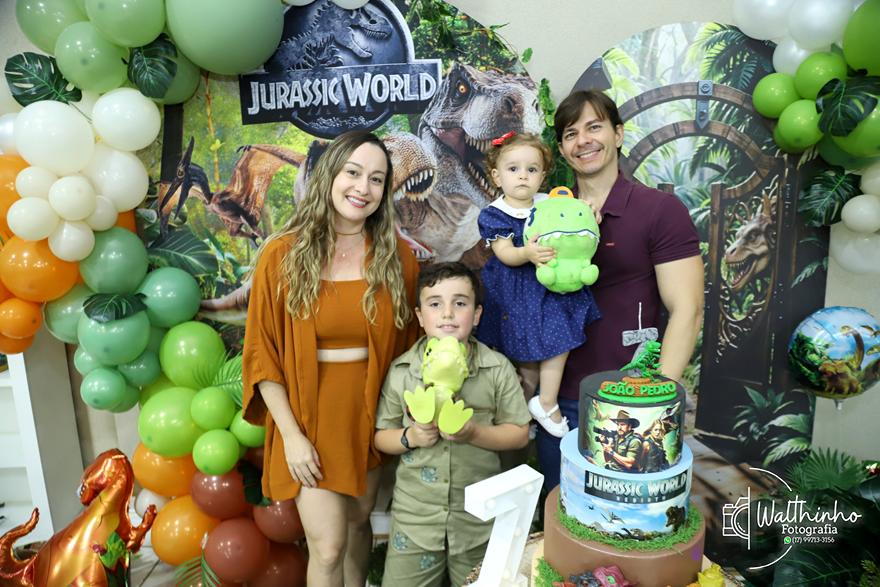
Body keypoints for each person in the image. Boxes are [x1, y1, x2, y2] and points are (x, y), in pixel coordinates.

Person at [241, 130, 420, 587]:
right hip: (308, 418)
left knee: (359, 526)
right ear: (329, 176)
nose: (363, 188)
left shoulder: (397, 257)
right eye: (353, 173)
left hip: (369, 415)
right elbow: (262, 354)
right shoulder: (282, 255)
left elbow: (411, 348)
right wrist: (292, 437)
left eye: (376, 179)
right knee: (327, 546)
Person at [536, 90, 704, 490]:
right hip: (560, 402)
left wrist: (656, 401)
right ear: (562, 148)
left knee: (628, 518)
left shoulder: (659, 210)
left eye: (594, 127)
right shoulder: (545, 215)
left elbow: (688, 309)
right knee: (560, 513)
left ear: (618, 134)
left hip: (632, 398)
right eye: (571, 134)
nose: (583, 141)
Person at [374, 262, 530, 587]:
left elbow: (518, 434)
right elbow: (381, 437)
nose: (447, 313)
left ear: (476, 314)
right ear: (420, 316)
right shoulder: (403, 370)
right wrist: (411, 436)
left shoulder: (496, 368)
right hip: (416, 519)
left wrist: (473, 432)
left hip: (478, 519)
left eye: (460, 303)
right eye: (435, 304)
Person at [475, 132, 600, 438]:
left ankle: (546, 401)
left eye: (532, 169)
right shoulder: (495, 214)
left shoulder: (548, 204)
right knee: (526, 362)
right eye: (513, 169)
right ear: (497, 176)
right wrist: (526, 253)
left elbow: (573, 218)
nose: (523, 176)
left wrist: (586, 214)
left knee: (561, 340)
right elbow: (505, 254)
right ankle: (521, 416)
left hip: (552, 289)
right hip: (517, 292)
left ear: (542, 176)